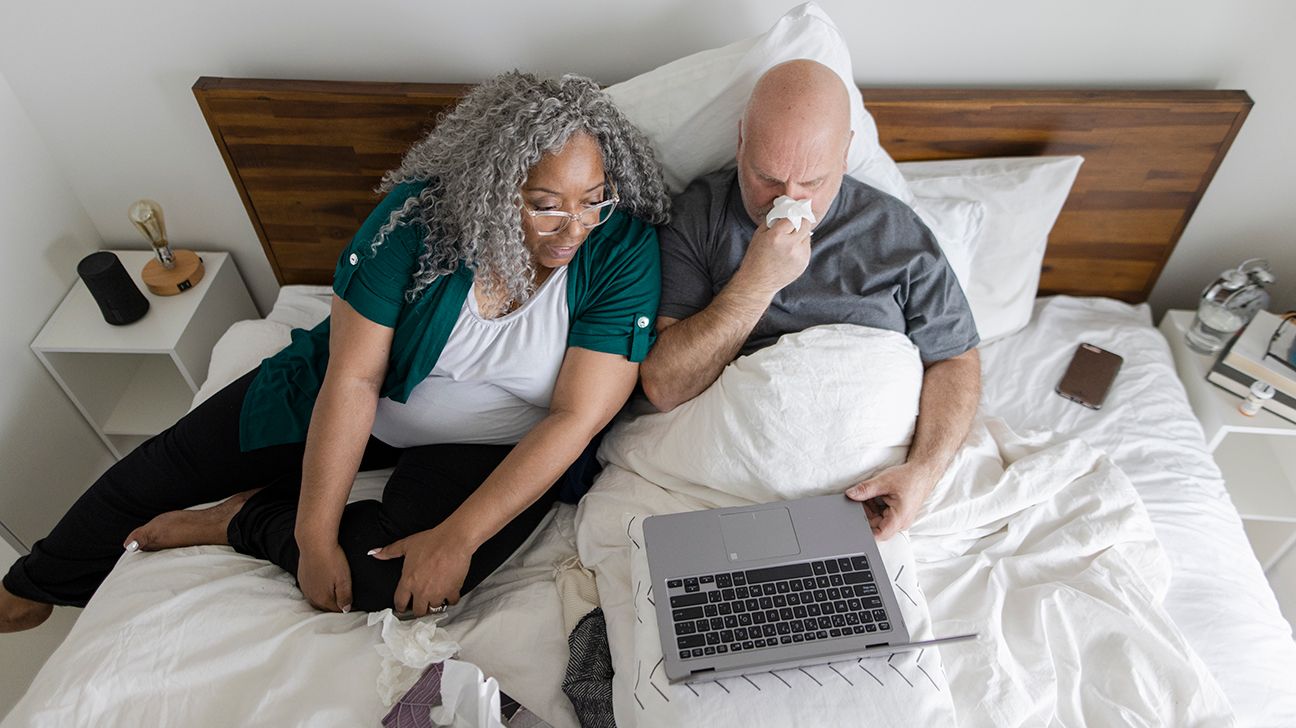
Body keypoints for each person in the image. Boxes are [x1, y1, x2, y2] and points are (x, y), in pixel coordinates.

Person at [1, 71, 670, 632]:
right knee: (160, 469)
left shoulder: (621, 250)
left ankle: (243, 518)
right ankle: (29, 589)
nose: (575, 227)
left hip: (488, 448)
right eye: (547, 205)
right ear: (492, 189)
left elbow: (575, 419)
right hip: (357, 401)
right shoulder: (415, 223)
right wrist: (313, 535)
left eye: (594, 201)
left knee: (392, 585)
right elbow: (352, 379)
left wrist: (458, 538)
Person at [639, 59, 980, 539]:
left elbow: (955, 358)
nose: (789, 201)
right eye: (768, 178)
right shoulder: (700, 216)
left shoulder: (894, 231)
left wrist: (923, 473)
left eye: (812, 183)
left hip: (874, 494)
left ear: (844, 154)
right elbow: (665, 386)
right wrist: (758, 281)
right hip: (728, 488)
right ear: (741, 144)